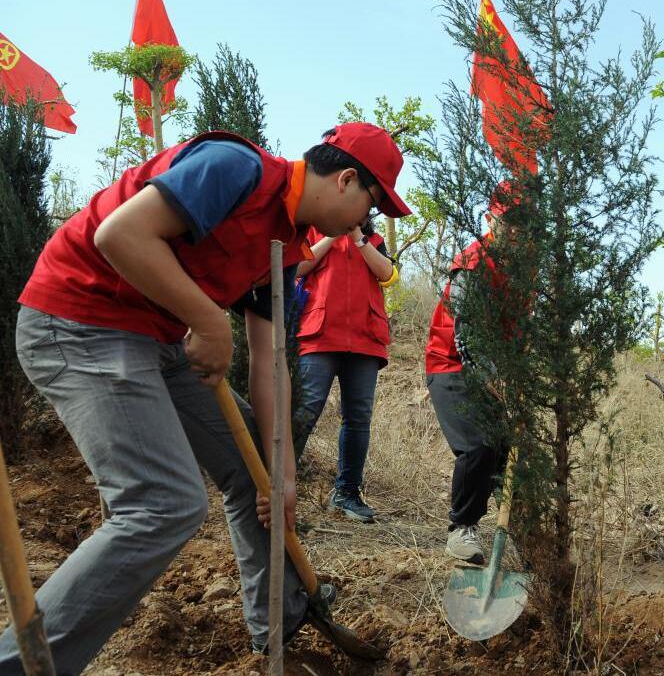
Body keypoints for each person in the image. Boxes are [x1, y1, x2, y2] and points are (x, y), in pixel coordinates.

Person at [1, 122, 410, 672]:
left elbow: (269, 364)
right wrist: (207, 320)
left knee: (257, 471)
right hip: (78, 320)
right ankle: (22, 664)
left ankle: (279, 637)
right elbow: (119, 235)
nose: (366, 222)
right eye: (372, 205)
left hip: (157, 341)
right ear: (346, 180)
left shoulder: (286, 248)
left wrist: (283, 471)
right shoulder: (235, 168)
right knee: (163, 504)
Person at [424, 189, 517, 565]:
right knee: (477, 445)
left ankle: (518, 532)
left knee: (502, 450)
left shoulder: (525, 269)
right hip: (450, 365)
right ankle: (460, 530)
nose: (518, 232)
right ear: (492, 220)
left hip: (494, 369)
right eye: (510, 222)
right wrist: (497, 379)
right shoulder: (475, 261)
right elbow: (468, 335)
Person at [293, 217, 398, 523]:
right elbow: (297, 268)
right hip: (319, 335)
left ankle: (347, 494)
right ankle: (274, 484)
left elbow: (388, 274)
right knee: (305, 410)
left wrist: (358, 237)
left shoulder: (373, 239)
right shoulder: (314, 229)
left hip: (365, 339)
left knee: (358, 417)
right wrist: (331, 234)